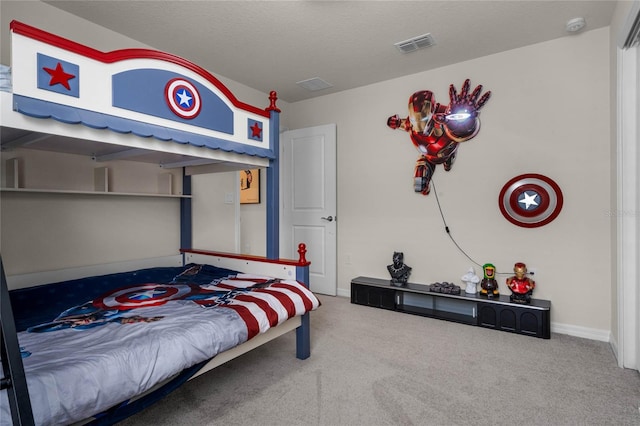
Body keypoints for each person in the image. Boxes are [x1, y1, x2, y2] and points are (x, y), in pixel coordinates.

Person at [387, 79, 491, 195]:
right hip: (428, 156)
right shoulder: (412, 123)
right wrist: (396, 123)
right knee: (419, 181)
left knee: (447, 164)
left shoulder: (445, 117)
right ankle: (425, 188)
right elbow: (405, 123)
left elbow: (461, 131)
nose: (419, 124)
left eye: (422, 118)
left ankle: (448, 161)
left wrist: (464, 125)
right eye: (415, 119)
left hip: (445, 152)